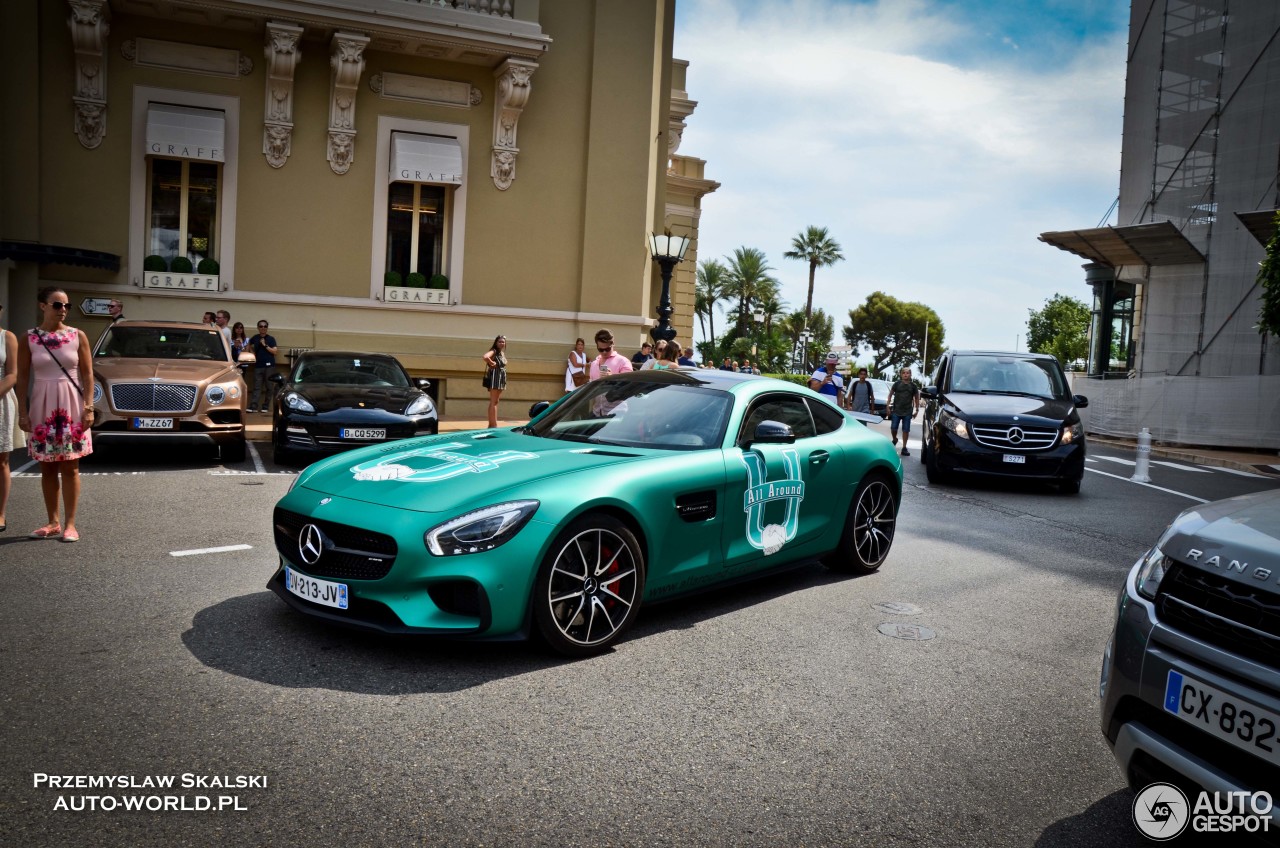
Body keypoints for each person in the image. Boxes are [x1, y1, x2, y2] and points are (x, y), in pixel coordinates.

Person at [16, 287, 94, 543]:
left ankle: (70, 524)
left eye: (66, 306)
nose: (63, 310)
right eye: (57, 305)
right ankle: (52, 521)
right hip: (42, 404)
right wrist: (23, 412)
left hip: (72, 405)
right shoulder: (28, 338)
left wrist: (89, 407)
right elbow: (23, 377)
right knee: (47, 468)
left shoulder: (77, 335)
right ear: (42, 306)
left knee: (71, 467)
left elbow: (88, 374)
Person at [0, 302, 25, 532]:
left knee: (1, 461)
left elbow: (12, 374)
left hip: (1, 402)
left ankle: (0, 514)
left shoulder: (7, 337)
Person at [887, 367, 920, 456]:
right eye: (904, 373)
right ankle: (895, 439)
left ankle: (904, 447)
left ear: (910, 374)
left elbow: (916, 398)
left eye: (907, 373)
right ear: (901, 374)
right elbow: (890, 395)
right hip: (896, 410)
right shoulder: (897, 384)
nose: (905, 374)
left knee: (906, 430)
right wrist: (887, 406)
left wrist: (917, 410)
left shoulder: (913, 386)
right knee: (893, 428)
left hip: (907, 411)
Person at [247, 319, 278, 414]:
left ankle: (265, 406)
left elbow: (275, 352)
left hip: (269, 366)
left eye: (265, 326)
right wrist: (252, 354)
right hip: (258, 366)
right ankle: (253, 406)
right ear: (258, 328)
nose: (263, 328)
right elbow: (248, 345)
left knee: (269, 387)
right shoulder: (255, 338)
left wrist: (265, 345)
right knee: (257, 387)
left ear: (267, 328)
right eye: (261, 326)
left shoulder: (271, 339)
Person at [481, 335, 508, 428]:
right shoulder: (494, 351)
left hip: (500, 379)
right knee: (494, 402)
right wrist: (491, 363)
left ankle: (491, 424)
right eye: (500, 342)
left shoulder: (501, 353)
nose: (501, 343)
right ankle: (493, 425)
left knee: (495, 401)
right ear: (496, 343)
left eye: (503, 342)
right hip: (495, 378)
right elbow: (485, 357)